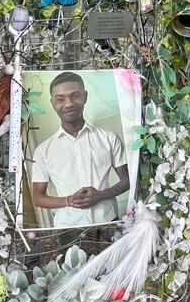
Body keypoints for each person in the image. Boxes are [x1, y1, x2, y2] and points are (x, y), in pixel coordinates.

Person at [31, 72, 130, 228]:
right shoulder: (43, 151)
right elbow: (37, 198)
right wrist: (69, 200)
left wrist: (100, 196)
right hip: (67, 227)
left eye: (75, 95)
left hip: (109, 220)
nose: (68, 103)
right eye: (60, 99)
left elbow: (126, 181)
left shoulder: (109, 138)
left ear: (85, 96)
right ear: (52, 103)